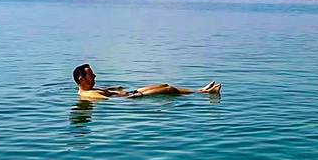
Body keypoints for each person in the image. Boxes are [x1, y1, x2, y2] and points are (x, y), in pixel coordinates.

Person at [73, 63, 221, 100]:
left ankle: (201, 90)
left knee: (165, 85)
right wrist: (130, 97)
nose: (95, 76)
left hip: (132, 93)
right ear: (82, 79)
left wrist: (114, 88)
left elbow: (104, 91)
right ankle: (205, 93)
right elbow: (107, 100)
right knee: (168, 90)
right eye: (91, 75)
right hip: (133, 97)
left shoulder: (88, 90)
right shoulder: (89, 95)